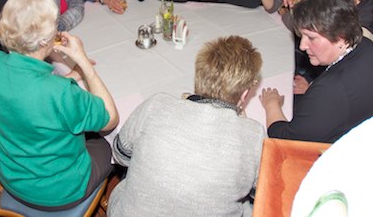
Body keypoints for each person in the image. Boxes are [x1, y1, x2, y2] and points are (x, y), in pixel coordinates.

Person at [0, 0, 118, 211]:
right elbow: (111, 119)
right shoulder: (59, 92)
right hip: (59, 192)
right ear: (46, 40)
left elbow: (24, 94)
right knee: (114, 144)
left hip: (12, 177)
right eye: (55, 24)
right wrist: (83, 62)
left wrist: (68, 78)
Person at [109, 36, 265, 216]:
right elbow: (260, 192)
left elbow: (121, 155)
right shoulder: (254, 135)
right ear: (245, 94)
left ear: (198, 76)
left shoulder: (156, 105)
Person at [260, 0, 373, 143]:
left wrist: (272, 104)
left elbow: (288, 140)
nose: (303, 45)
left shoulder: (331, 91)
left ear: (340, 37)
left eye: (311, 38)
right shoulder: (365, 44)